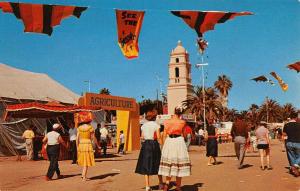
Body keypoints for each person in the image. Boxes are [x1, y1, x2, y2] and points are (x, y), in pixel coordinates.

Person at [158, 108, 191, 191]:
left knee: (169, 163)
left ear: (174, 112)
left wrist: (164, 146)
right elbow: (184, 134)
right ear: (180, 113)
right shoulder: (182, 122)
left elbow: (165, 134)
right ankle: (178, 187)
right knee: (179, 163)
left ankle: (167, 184)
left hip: (169, 141)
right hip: (179, 142)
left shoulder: (166, 122)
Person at [135, 110, 163, 191]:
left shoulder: (143, 125)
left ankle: (147, 186)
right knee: (157, 163)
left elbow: (142, 137)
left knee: (146, 164)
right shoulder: (156, 125)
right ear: (154, 117)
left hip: (146, 145)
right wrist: (162, 145)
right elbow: (158, 137)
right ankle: (160, 183)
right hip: (154, 145)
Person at [76, 111, 99, 181]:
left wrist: (77, 147)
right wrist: (97, 145)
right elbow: (93, 138)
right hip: (87, 144)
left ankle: (83, 175)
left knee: (84, 160)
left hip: (81, 144)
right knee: (86, 161)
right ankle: (84, 177)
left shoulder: (79, 128)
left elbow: (77, 138)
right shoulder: (90, 127)